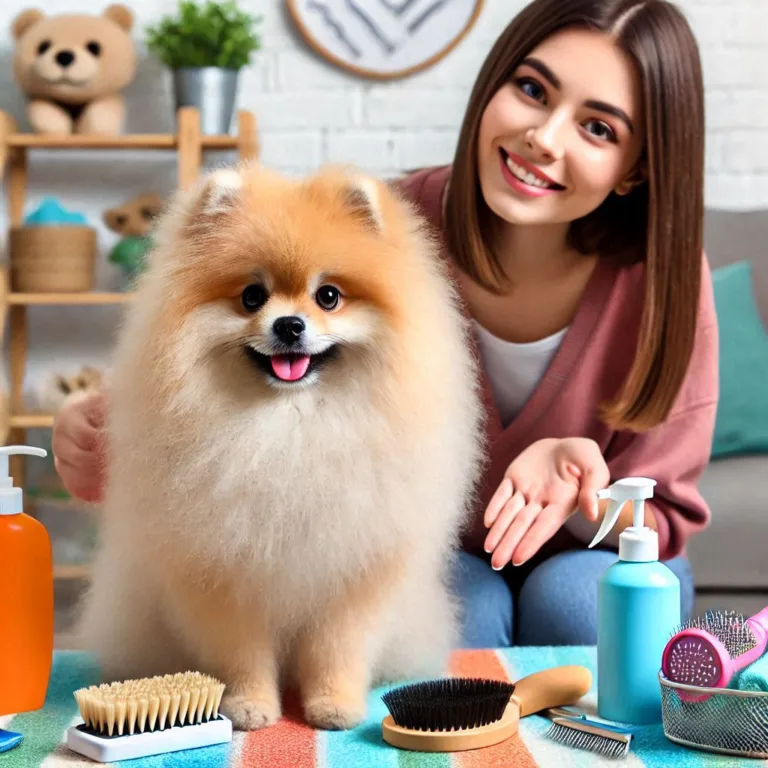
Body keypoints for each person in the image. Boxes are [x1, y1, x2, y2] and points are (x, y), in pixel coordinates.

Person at [52, 0, 718, 649]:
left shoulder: (664, 281)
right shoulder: (380, 228)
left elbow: (662, 520)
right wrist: (107, 434)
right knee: (463, 615)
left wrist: (586, 488)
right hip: (436, 552)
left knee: (577, 604)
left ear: (637, 169)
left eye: (597, 128)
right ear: (494, 84)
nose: (543, 138)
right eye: (532, 89)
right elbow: (226, 422)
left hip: (598, 554)